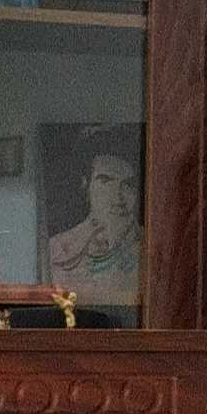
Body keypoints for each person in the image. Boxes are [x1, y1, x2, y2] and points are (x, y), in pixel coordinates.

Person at [49, 125, 143, 306]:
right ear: (86, 185)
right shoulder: (56, 249)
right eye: (106, 181)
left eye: (128, 185)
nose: (118, 197)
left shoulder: (152, 249)